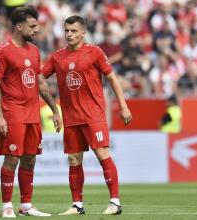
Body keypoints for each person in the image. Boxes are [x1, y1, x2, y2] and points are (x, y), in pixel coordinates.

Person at [41, 15, 132, 215]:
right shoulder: (57, 57)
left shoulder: (95, 52)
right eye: (66, 30)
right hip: (71, 117)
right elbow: (40, 78)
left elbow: (112, 78)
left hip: (93, 115)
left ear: (83, 32)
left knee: (102, 154)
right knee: (74, 160)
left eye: (73, 31)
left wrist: (123, 105)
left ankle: (115, 202)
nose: (69, 34)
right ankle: (77, 205)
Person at [0, 6, 62, 218]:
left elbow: (40, 83)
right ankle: (6, 206)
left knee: (30, 158)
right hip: (13, 112)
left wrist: (54, 109)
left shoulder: (34, 51)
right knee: (12, 157)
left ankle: (26, 205)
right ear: (19, 27)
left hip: (32, 114)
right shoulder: (3, 51)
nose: (36, 30)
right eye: (32, 26)